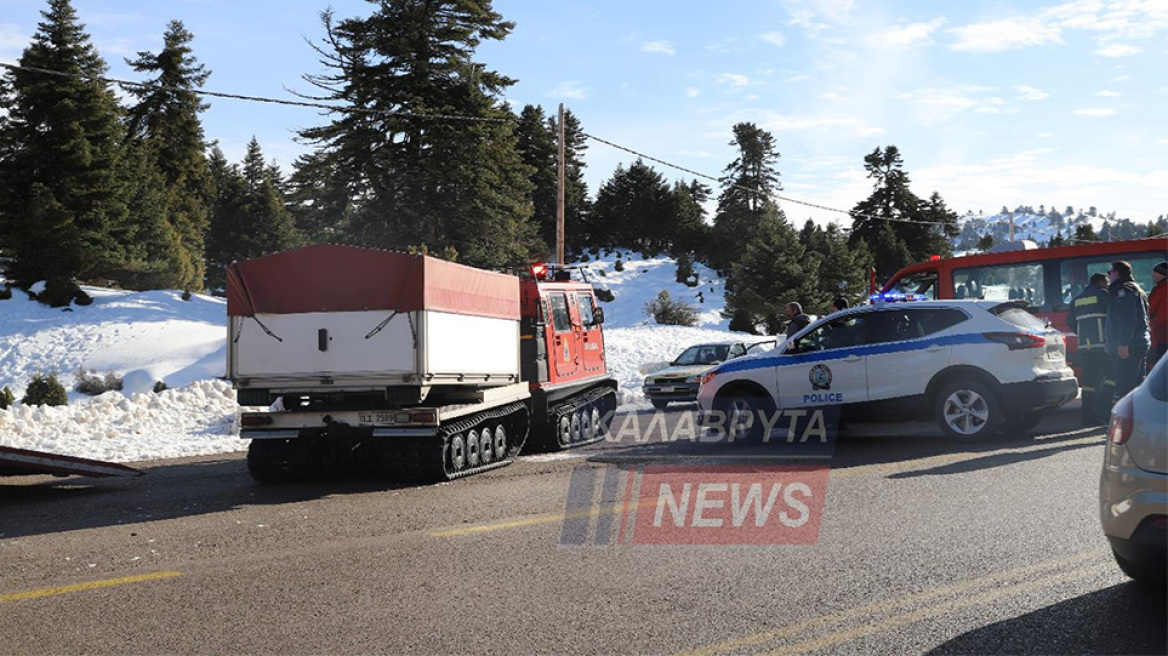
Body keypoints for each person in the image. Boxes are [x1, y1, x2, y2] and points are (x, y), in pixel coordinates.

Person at [1104, 260, 1150, 405]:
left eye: (1110, 272)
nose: (1109, 276)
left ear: (1117, 273)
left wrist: (1123, 343)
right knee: (1138, 383)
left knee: (1125, 385)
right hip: (1140, 341)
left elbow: (1127, 319)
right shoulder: (1137, 289)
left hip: (1130, 345)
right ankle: (1140, 417)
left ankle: (1129, 421)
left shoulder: (1122, 290)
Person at [1070, 273, 1110, 426]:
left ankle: (1087, 417)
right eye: (1105, 281)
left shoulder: (1077, 299)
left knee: (1088, 382)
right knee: (1112, 376)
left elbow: (1071, 322)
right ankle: (1103, 411)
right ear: (1100, 282)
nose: (1107, 284)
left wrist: (1084, 335)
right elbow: (1113, 319)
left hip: (1084, 347)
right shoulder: (1105, 296)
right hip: (1103, 346)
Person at [1150, 261, 1167, 366]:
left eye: (1156, 273)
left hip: (1161, 334)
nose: (1153, 275)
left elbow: (1150, 309)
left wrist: (1151, 323)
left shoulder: (1162, 289)